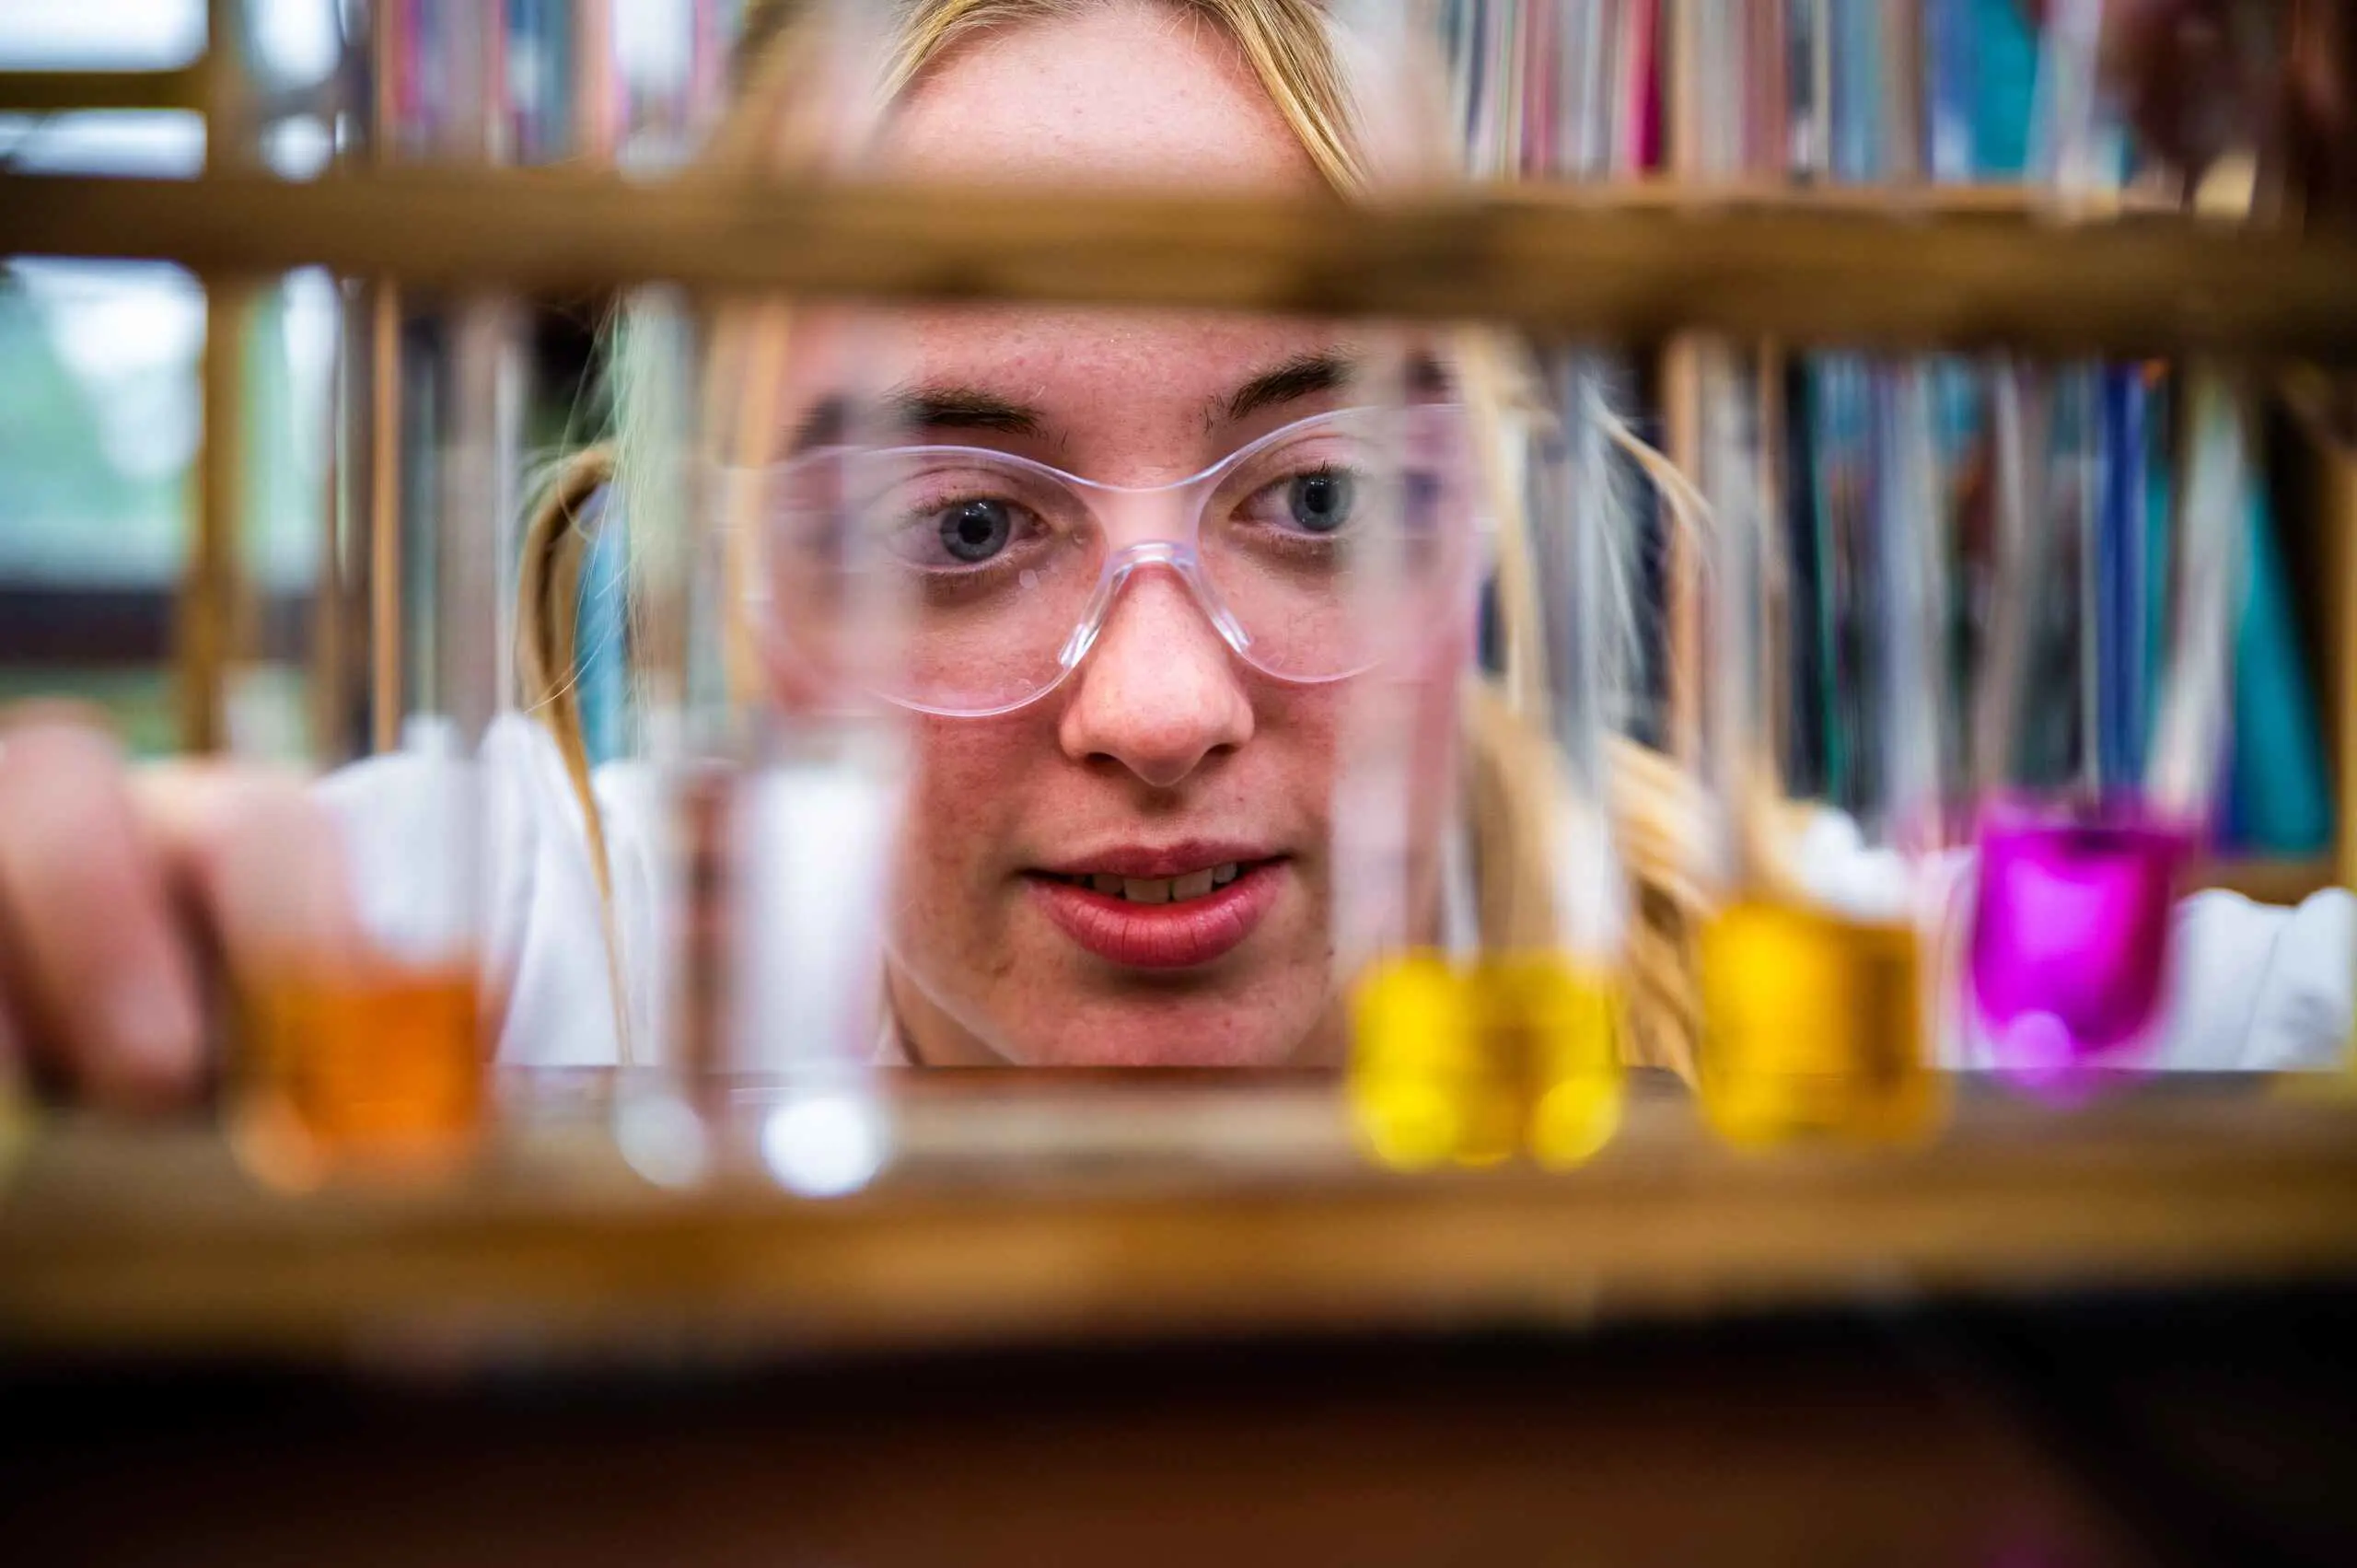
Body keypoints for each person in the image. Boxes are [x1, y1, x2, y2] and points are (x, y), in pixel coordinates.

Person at [0, 0, 2346, 1105]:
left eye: (1316, 499)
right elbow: (180, 915)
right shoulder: (521, 947)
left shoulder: (1777, 980)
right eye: (957, 526)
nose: (1158, 708)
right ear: (719, 595)